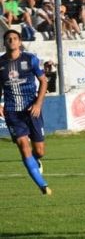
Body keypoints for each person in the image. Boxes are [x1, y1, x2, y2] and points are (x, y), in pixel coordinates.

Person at [0, 30, 51, 195]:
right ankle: (43, 186)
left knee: (40, 151)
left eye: (14, 38)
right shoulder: (0, 63)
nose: (11, 41)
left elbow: (43, 81)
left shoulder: (30, 59)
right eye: (8, 39)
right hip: (12, 112)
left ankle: (36, 161)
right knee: (23, 145)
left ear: (19, 42)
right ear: (4, 43)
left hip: (32, 110)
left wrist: (38, 103)